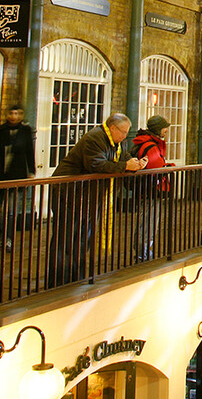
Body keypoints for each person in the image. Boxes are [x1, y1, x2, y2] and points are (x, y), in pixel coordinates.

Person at [47, 113, 144, 287]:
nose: (124, 136)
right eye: (122, 132)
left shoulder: (115, 142)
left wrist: (135, 163)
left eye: (126, 133)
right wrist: (125, 166)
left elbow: (124, 158)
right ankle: (59, 281)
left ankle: (77, 277)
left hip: (88, 198)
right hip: (69, 195)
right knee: (67, 238)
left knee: (84, 238)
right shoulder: (95, 138)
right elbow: (97, 165)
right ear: (112, 128)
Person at [0, 104, 33, 250]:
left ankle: (8, 238)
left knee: (10, 210)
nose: (14, 116)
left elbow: (29, 152)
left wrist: (31, 172)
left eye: (18, 113)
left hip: (16, 175)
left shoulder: (25, 131)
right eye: (12, 113)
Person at [131, 115, 172, 261]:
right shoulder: (151, 146)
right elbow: (157, 166)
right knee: (149, 222)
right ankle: (144, 254)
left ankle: (143, 252)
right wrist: (169, 168)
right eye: (164, 128)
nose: (166, 131)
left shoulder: (144, 143)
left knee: (146, 220)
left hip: (145, 189)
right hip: (151, 190)